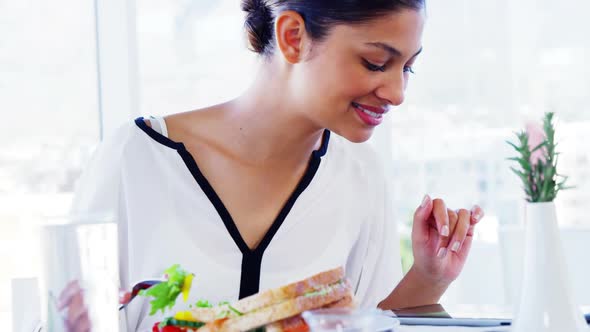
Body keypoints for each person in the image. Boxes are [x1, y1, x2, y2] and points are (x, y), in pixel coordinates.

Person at [60, 0, 485, 331]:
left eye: (408, 67)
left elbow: (372, 325)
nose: (397, 92)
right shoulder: (136, 161)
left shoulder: (360, 176)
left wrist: (429, 279)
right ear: (293, 36)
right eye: (376, 62)